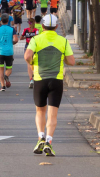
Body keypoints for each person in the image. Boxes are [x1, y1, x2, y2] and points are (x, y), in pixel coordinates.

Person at [24, 14, 75, 157]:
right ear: (57, 27)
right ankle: (49, 142)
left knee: (40, 111)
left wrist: (33, 63)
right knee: (53, 114)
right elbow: (71, 62)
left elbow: (27, 56)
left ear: (42, 26)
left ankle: (40, 138)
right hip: (56, 80)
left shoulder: (36, 39)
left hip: (40, 79)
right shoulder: (63, 41)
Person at [0, 13, 18, 91]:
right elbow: (16, 39)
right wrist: (12, 43)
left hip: (0, 51)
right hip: (9, 51)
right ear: (8, 20)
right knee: (9, 69)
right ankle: (6, 75)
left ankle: (2, 86)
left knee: (0, 69)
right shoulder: (12, 29)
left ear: (0, 21)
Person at [21, 18, 39, 89]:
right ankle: (35, 74)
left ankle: (31, 80)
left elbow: (21, 38)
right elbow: (37, 39)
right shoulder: (36, 30)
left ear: (28, 23)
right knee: (35, 62)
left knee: (29, 63)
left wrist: (26, 36)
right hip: (34, 47)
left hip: (27, 47)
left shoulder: (25, 30)